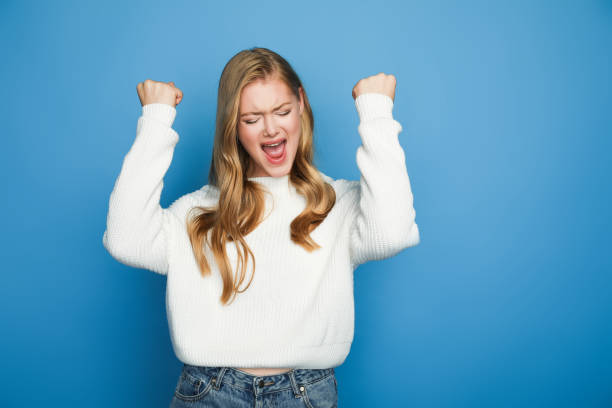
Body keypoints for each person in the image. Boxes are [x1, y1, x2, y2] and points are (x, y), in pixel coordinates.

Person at [102, 47, 420, 407]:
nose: (271, 129)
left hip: (305, 395)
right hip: (209, 393)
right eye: (252, 119)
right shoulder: (196, 211)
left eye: (282, 111)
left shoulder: (337, 203)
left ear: (301, 103)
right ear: (232, 126)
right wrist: (156, 122)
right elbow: (125, 240)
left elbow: (392, 232)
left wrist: (377, 114)